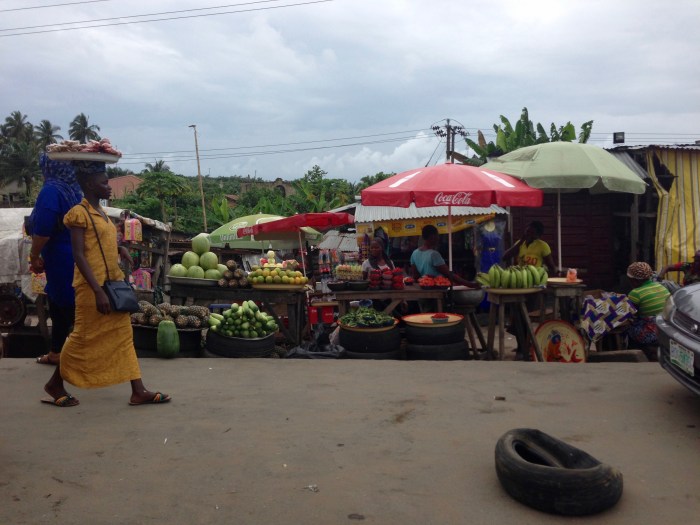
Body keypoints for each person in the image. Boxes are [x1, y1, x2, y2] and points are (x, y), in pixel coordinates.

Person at [42, 161, 170, 407]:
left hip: (111, 283)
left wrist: (119, 248)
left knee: (123, 336)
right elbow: (79, 255)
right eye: (104, 182)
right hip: (92, 288)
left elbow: (99, 242)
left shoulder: (101, 212)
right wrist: (97, 291)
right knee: (82, 337)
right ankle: (54, 384)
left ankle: (138, 390)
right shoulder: (79, 213)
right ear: (89, 184)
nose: (109, 186)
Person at [29, 153, 82, 366]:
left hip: (62, 258)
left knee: (67, 306)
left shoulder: (52, 190)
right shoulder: (75, 189)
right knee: (59, 305)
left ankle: (78, 356)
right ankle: (56, 353)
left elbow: (43, 230)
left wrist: (34, 256)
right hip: (74, 255)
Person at [409, 225, 477, 286]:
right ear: (433, 236)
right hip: (437, 291)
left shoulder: (414, 253)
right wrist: (469, 284)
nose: (438, 238)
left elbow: (415, 276)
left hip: (424, 289)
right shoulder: (434, 254)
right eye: (437, 235)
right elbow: (449, 275)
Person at [625, 261, 670, 353]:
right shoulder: (661, 287)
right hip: (667, 329)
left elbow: (629, 313)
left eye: (630, 279)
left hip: (653, 332)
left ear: (635, 280)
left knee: (626, 327)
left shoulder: (635, 293)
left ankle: (636, 352)